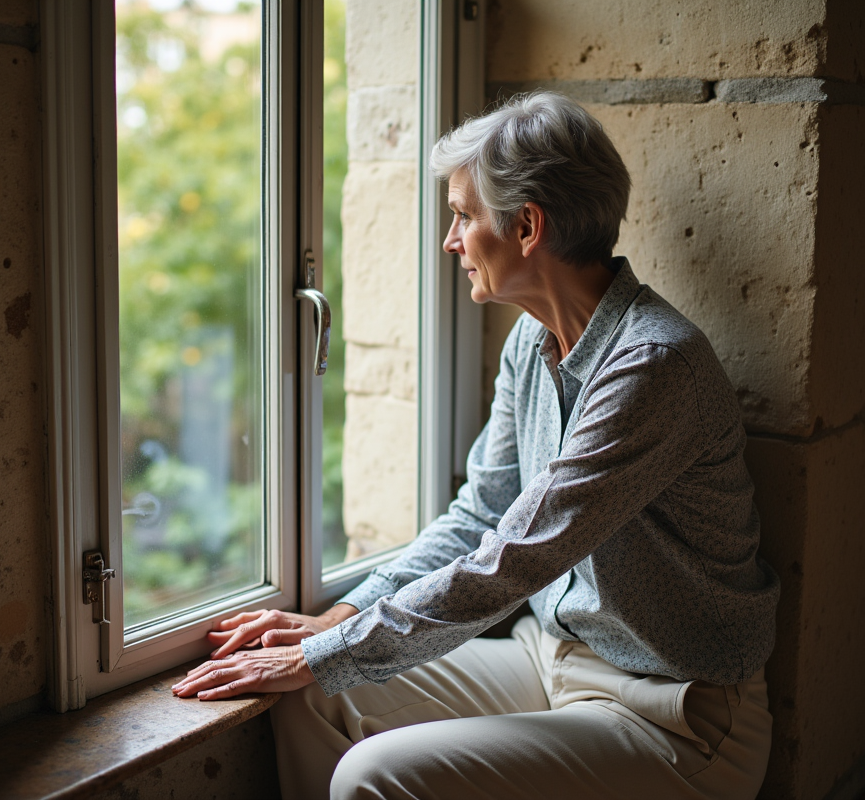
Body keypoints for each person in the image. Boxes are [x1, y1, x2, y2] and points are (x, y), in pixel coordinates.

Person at [173, 91, 780, 800]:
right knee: (312, 694)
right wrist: (337, 620)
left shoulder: (653, 366)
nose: (450, 240)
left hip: (674, 715)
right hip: (550, 657)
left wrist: (329, 650)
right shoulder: (532, 340)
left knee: (369, 772)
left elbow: (514, 557)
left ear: (527, 226)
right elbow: (480, 514)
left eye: (462, 215)